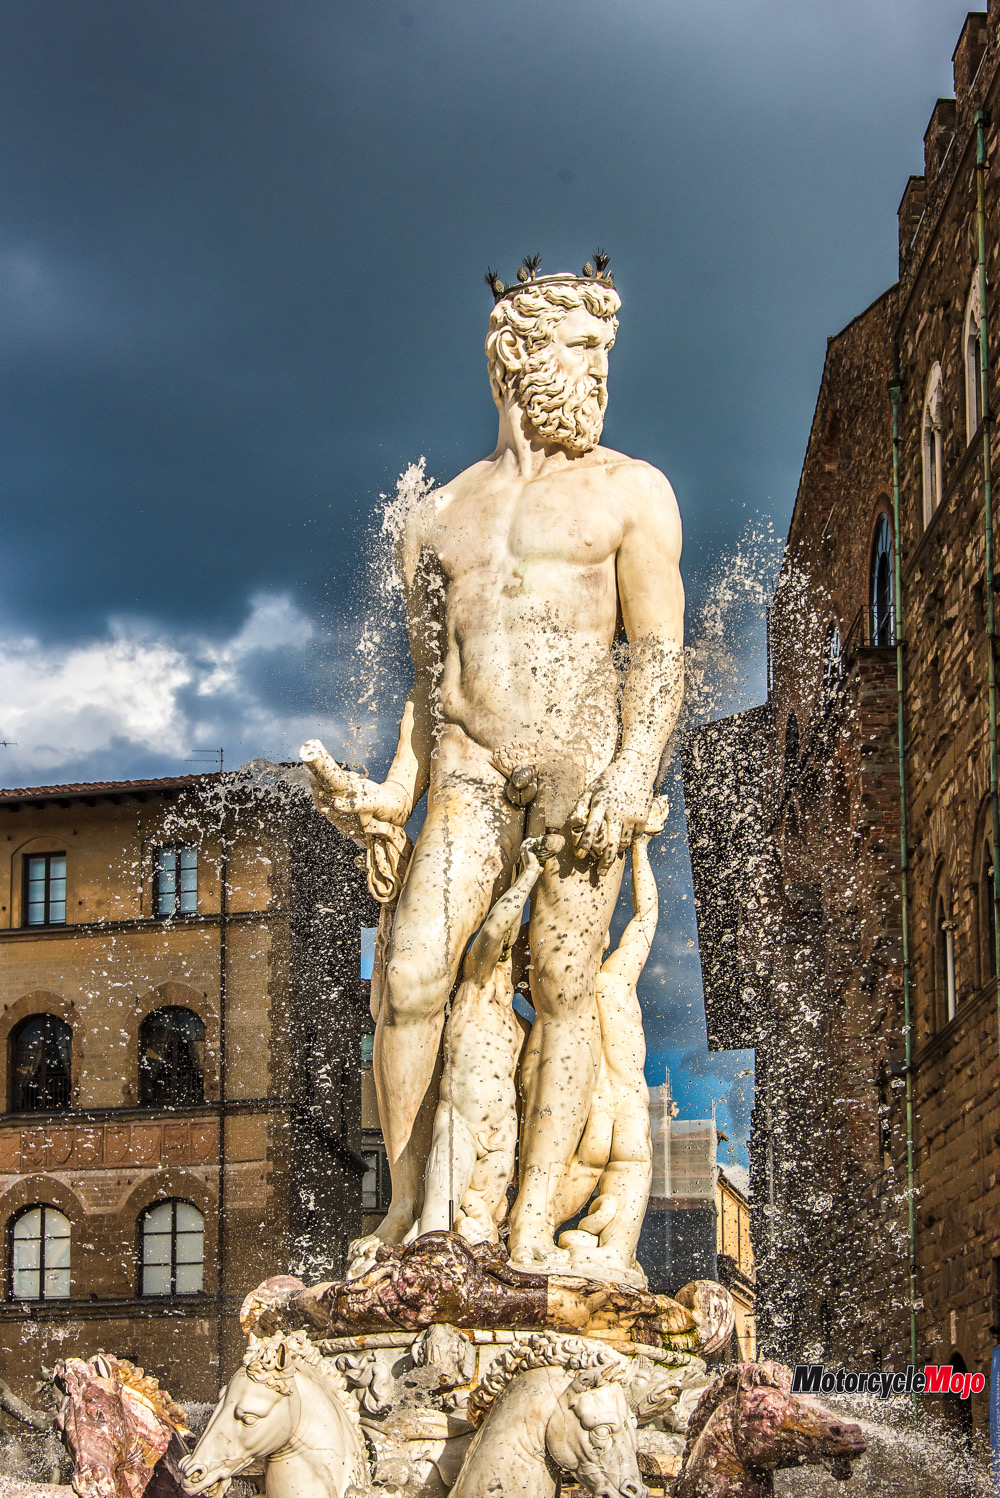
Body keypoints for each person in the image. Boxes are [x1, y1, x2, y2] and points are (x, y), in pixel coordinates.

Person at [306, 259, 684, 1269]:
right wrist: (395, 791)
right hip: (468, 776)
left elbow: (656, 658)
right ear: (518, 354)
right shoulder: (436, 515)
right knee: (410, 975)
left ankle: (527, 1230)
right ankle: (406, 1215)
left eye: (606, 353)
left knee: (563, 989)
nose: (600, 372)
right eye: (583, 349)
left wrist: (630, 776)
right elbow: (429, 683)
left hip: (578, 777)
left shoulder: (633, 492)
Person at [545, 794, 670, 1285]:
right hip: (630, 1113)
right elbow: (646, 917)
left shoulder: (563, 997)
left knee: (542, 1218)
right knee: (617, 1252)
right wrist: (641, 846)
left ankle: (534, 1239)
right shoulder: (615, 980)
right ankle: (613, 1255)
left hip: (591, 1118)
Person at [408, 838, 547, 1245]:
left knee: (484, 1233)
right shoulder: (474, 984)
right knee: (436, 1225)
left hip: (502, 1134)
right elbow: (493, 931)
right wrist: (529, 876)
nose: (515, 959)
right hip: (462, 1125)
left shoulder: (521, 1024)